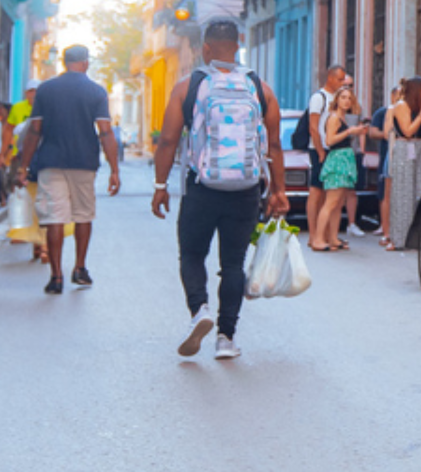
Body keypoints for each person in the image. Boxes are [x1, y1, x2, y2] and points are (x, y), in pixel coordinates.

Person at [150, 20, 286, 360]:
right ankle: (226, 338)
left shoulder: (189, 87)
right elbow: (275, 146)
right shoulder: (260, 88)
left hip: (202, 188)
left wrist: (160, 185)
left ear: (205, 49)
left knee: (193, 254)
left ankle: (200, 310)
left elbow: (167, 141)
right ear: (239, 45)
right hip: (246, 188)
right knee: (234, 264)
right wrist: (278, 191)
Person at [14, 45, 119, 295]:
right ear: (85, 62)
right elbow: (105, 132)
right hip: (84, 162)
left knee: (54, 217)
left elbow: (34, 132)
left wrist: (23, 166)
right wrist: (115, 169)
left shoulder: (46, 90)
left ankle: (56, 276)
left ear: (64, 62)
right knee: (83, 214)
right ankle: (80, 268)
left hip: (50, 161)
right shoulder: (96, 91)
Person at [311, 86, 365, 252]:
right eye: (343, 97)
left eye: (349, 98)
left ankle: (333, 237)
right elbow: (329, 140)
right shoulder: (334, 118)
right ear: (337, 100)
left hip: (344, 161)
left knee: (338, 203)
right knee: (331, 202)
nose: (347, 101)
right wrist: (350, 131)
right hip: (337, 161)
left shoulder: (343, 118)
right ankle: (318, 238)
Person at [297, 65, 346, 239]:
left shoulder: (337, 97)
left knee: (328, 192)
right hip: (319, 149)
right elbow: (313, 127)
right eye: (340, 79)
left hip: (332, 150)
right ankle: (313, 234)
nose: (342, 83)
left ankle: (324, 233)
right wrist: (319, 151)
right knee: (316, 190)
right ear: (330, 78)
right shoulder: (319, 98)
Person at [382, 78, 421, 250]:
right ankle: (398, 238)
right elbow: (408, 131)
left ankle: (419, 236)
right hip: (405, 148)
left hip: (420, 149)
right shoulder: (401, 106)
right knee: (403, 194)